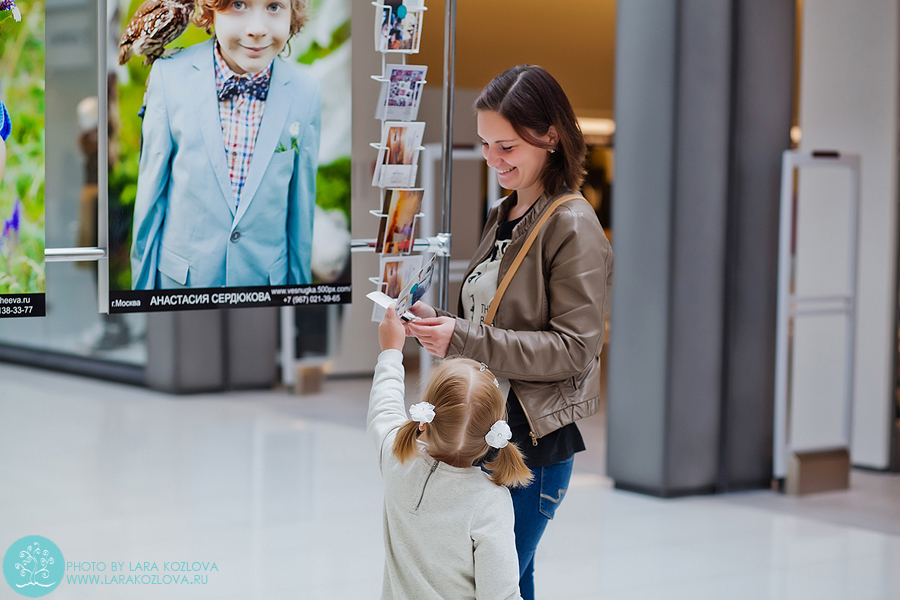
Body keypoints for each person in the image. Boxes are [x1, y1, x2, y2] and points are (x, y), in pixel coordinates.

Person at [406, 65, 614, 600]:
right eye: (485, 145)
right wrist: (442, 324)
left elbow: (575, 350)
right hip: (489, 429)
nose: (493, 160)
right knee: (503, 582)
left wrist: (463, 339)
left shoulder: (572, 225)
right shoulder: (506, 211)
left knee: (494, 586)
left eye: (506, 146)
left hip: (532, 446)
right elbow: (491, 315)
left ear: (550, 137)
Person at [130, 0, 320, 290]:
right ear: (209, 9)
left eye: (273, 6)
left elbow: (301, 215)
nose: (257, 29)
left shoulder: (306, 93)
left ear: (293, 13)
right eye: (238, 4)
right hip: (181, 289)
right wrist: (141, 298)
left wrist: (301, 297)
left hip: (265, 291)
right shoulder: (169, 77)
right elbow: (149, 203)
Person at [369, 306, 531, 600]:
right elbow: (501, 594)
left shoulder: (397, 459)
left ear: (426, 418)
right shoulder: (488, 501)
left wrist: (391, 352)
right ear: (491, 437)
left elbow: (384, 407)